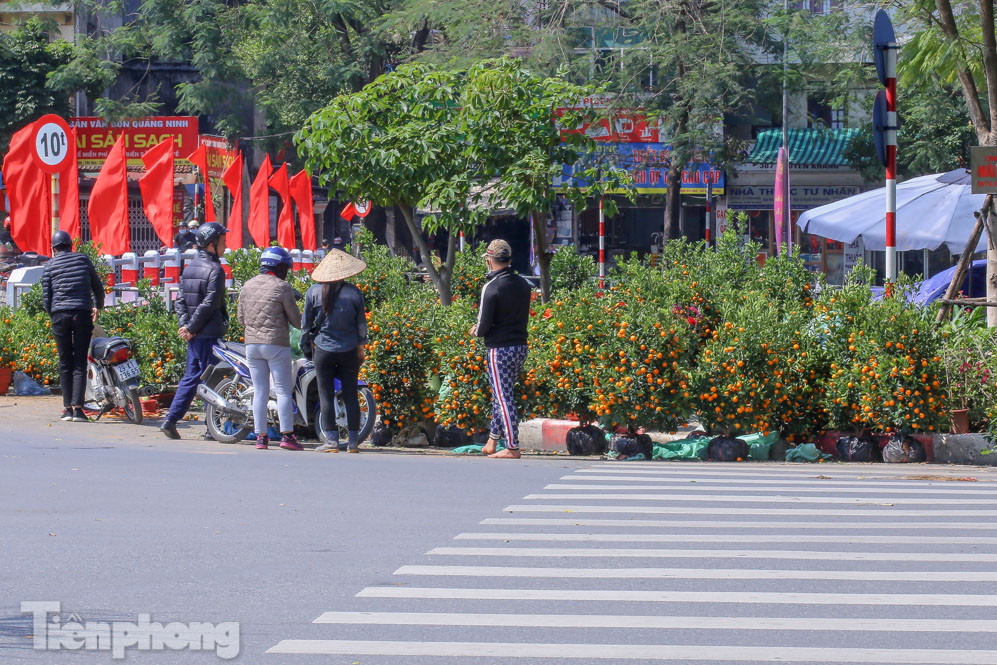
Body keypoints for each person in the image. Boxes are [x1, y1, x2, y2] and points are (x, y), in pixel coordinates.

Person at [161, 222, 229, 439]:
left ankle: (170, 420)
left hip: (196, 335)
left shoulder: (189, 268)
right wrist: (190, 328)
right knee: (212, 380)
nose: (225, 245)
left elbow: (180, 301)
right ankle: (211, 428)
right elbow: (210, 304)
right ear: (211, 244)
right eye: (222, 241)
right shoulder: (216, 270)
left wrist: (186, 327)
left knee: (191, 378)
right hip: (208, 334)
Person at [237, 247, 303, 451]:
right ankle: (287, 436)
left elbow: (241, 319)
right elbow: (296, 321)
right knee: (282, 390)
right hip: (276, 345)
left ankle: (261, 438)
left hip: (252, 346)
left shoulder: (247, 286)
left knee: (260, 391)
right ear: (279, 267)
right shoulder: (282, 287)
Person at [302, 249, 368, 453]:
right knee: (350, 394)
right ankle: (353, 442)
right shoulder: (354, 293)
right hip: (349, 350)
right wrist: (361, 347)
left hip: (323, 350)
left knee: (326, 394)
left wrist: (308, 347)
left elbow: (306, 325)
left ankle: (331, 441)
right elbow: (361, 325)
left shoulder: (313, 292)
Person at [472, 239, 532, 459]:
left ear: (490, 260)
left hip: (499, 349)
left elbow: (482, 325)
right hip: (520, 346)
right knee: (502, 394)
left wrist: (474, 331)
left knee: (503, 397)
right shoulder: (523, 284)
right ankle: (492, 441)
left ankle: (512, 447)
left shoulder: (491, 287)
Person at [41, 231, 104, 422]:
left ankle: (67, 409)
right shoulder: (83, 260)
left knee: (64, 361)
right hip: (82, 313)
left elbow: (47, 298)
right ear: (71, 245)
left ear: (54, 248)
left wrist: (54, 315)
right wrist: (98, 306)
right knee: (79, 361)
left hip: (60, 315)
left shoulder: (49, 266)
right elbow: (97, 287)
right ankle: (78, 409)